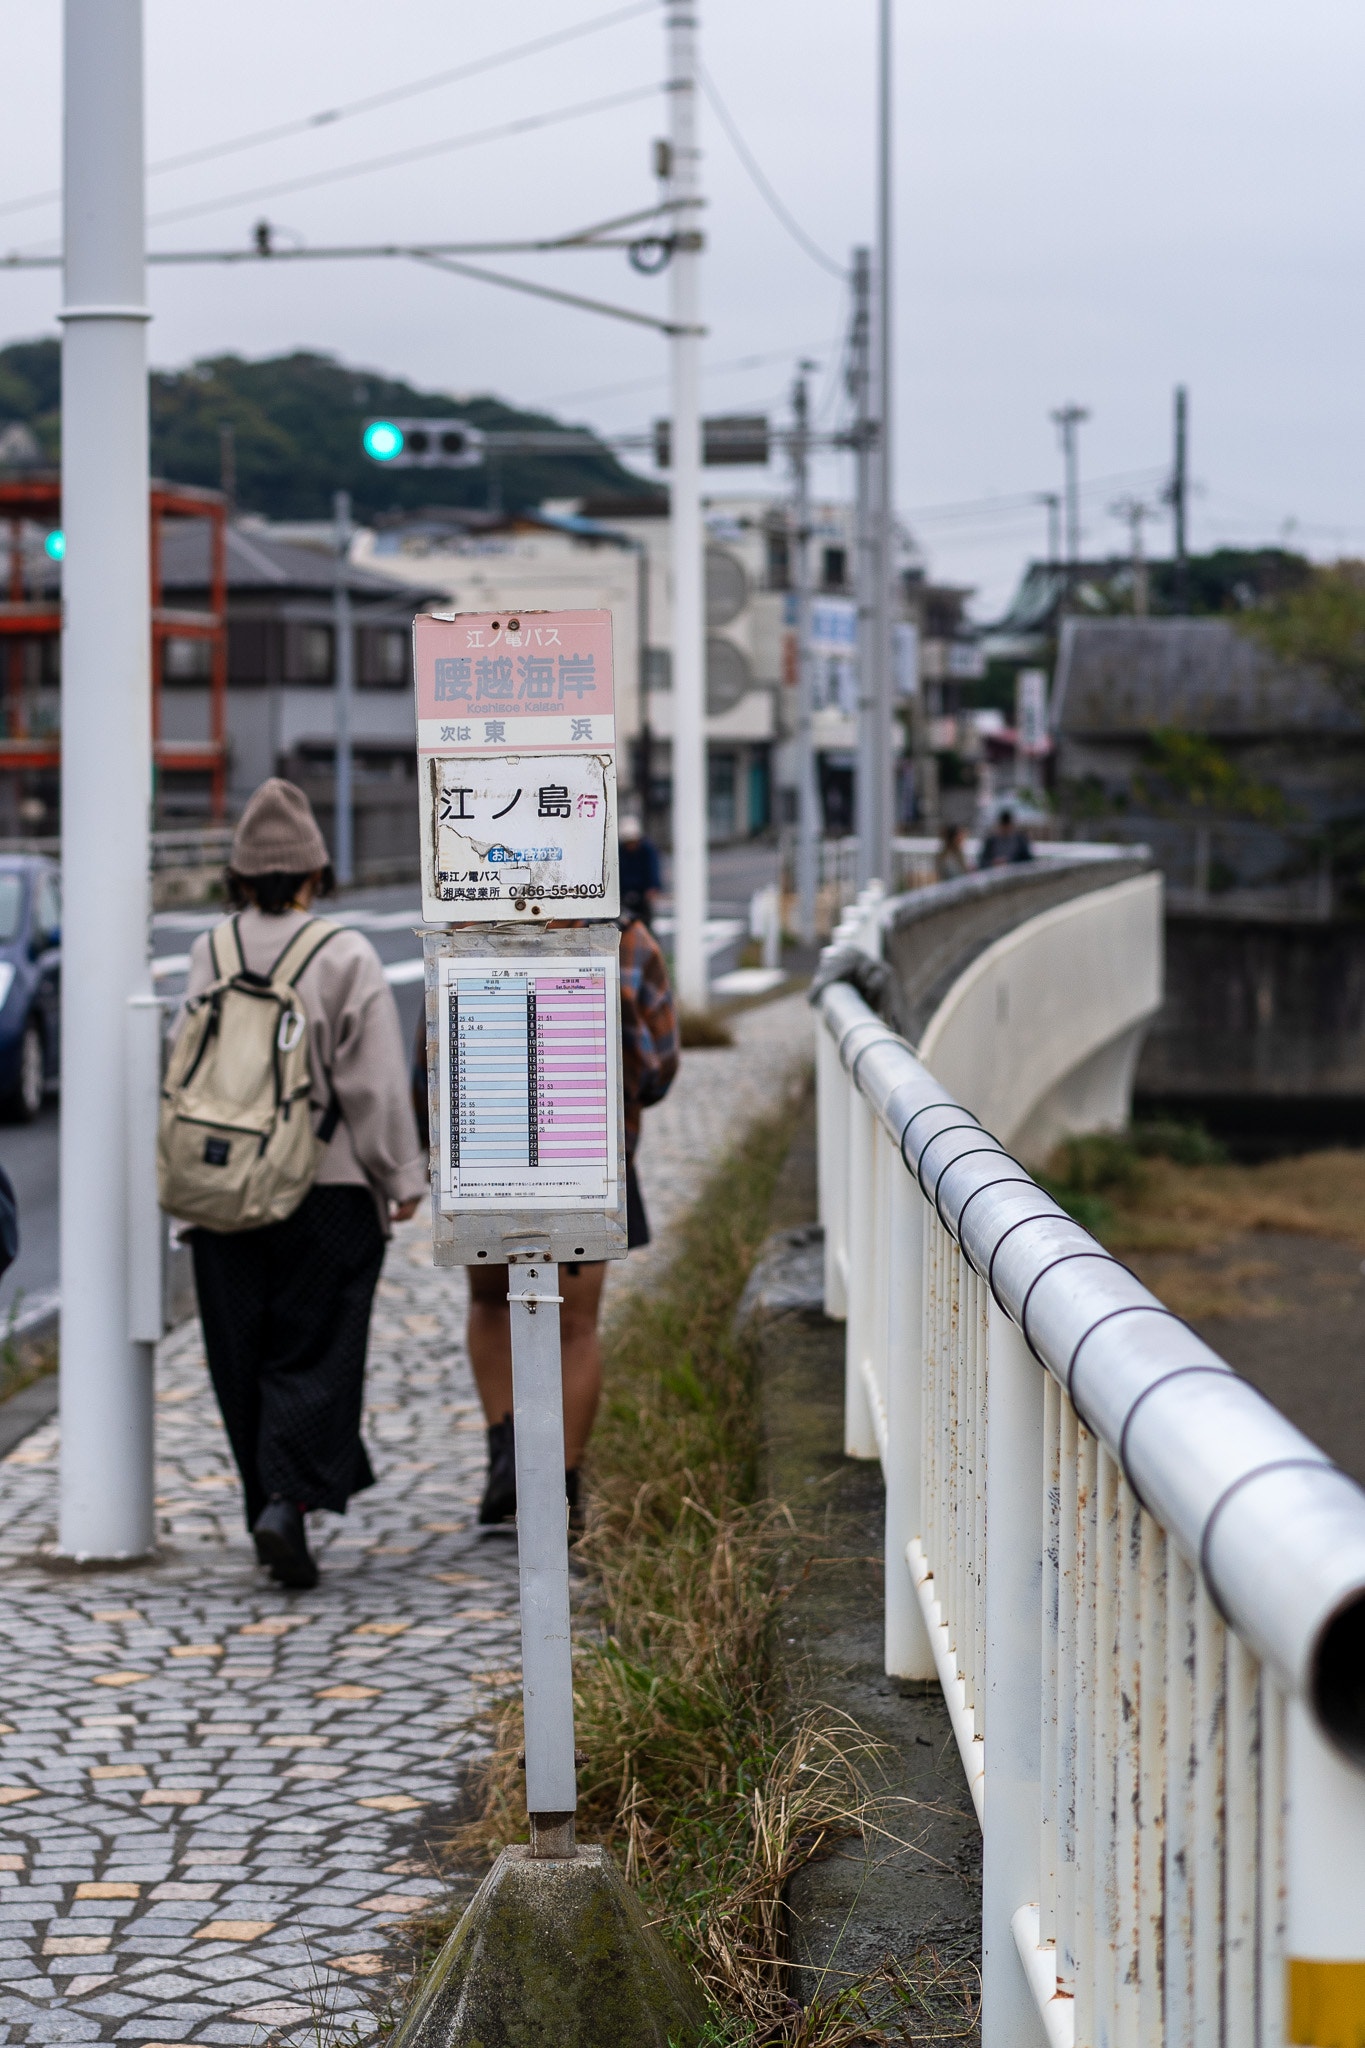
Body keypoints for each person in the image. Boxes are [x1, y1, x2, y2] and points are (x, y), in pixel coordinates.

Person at [177, 779, 427, 1589]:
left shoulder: (209, 951)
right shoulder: (343, 953)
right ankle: (288, 1503)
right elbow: (373, 1085)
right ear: (316, 871)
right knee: (316, 1349)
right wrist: (401, 1175)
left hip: (224, 1190)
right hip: (328, 1189)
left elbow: (186, 1068)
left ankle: (265, 1504)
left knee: (240, 1352)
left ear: (240, 874)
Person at [411, 910, 679, 1531]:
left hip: (482, 1161)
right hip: (588, 1159)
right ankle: (563, 1486)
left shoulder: (466, 927)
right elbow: (658, 1066)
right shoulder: (626, 939)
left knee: (489, 1304)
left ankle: (506, 1458)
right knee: (575, 1327)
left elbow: (427, 1060)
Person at [617, 813, 663, 927]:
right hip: (624, 893)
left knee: (645, 922)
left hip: (643, 893)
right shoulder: (620, 851)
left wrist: (653, 887)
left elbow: (653, 869)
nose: (631, 845)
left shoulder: (647, 850)